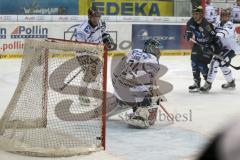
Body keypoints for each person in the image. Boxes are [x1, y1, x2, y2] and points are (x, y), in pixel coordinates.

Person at [112, 38, 163, 128]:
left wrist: (116, 85)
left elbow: (117, 70)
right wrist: (154, 95)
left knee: (139, 87)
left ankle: (127, 105)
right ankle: (140, 117)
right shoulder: (153, 60)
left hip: (118, 91)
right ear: (150, 48)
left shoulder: (133, 51)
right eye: (157, 49)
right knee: (154, 96)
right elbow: (150, 81)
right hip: (131, 96)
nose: (159, 52)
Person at [75, 7, 114, 105]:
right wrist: (94, 49)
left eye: (98, 16)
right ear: (89, 16)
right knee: (94, 75)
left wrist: (106, 38)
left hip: (96, 53)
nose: (96, 19)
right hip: (83, 54)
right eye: (94, 17)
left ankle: (82, 95)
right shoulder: (82, 30)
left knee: (90, 75)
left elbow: (103, 33)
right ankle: (98, 100)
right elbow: (80, 47)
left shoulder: (101, 23)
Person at [200, 9, 236, 92]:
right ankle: (231, 82)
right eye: (223, 15)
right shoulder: (218, 24)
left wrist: (216, 35)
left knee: (214, 62)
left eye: (226, 15)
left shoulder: (230, 24)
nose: (224, 17)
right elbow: (211, 33)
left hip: (231, 49)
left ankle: (208, 84)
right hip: (223, 48)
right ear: (220, 15)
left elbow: (225, 32)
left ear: (229, 16)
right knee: (223, 65)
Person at [184, 6, 216, 92]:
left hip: (207, 46)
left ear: (201, 14)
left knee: (201, 65)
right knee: (194, 63)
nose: (194, 16)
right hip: (197, 45)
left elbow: (215, 37)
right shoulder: (190, 22)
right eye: (193, 14)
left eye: (197, 14)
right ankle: (197, 83)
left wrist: (211, 47)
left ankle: (207, 83)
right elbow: (187, 33)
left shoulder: (207, 25)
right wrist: (187, 35)